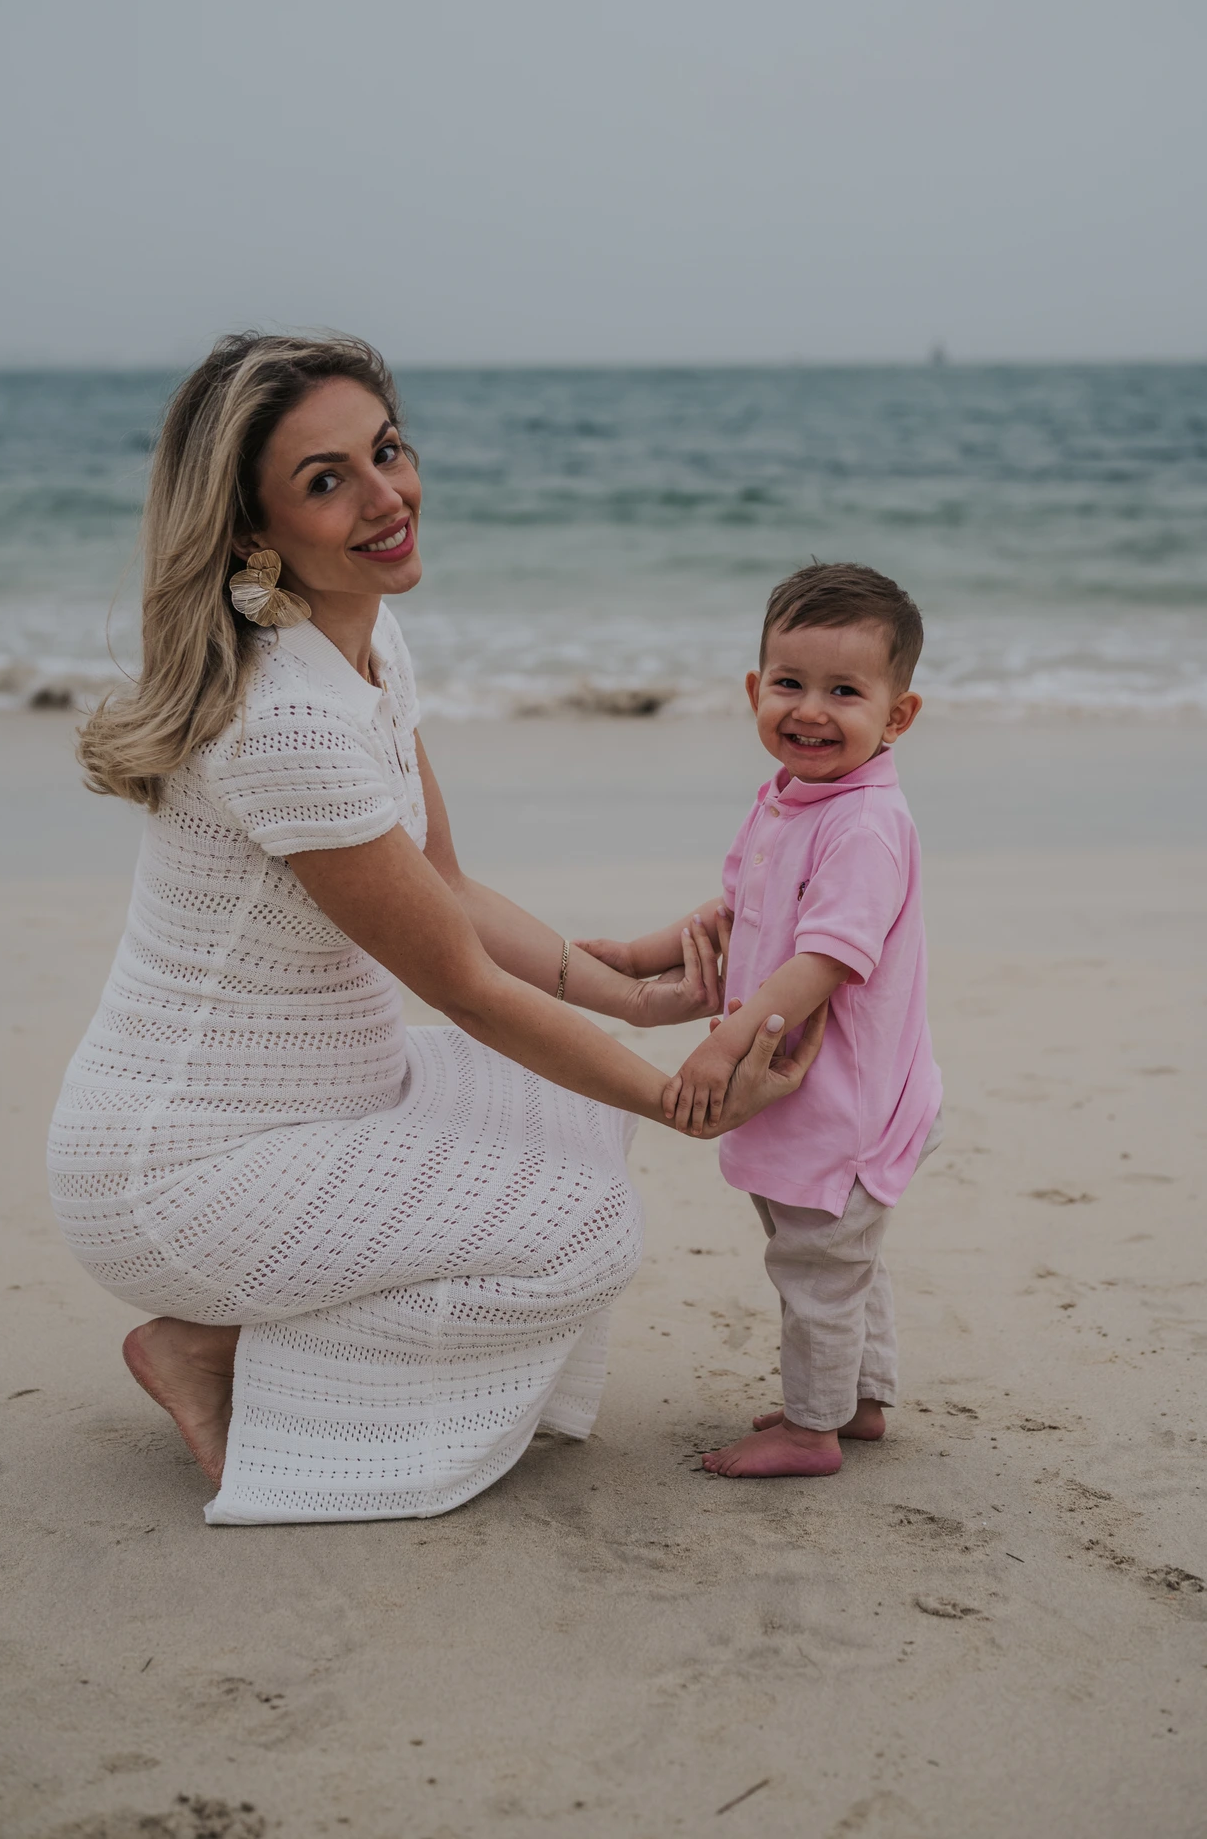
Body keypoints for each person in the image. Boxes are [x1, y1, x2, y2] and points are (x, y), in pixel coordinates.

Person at [47, 332, 825, 1525]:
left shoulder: (363, 640)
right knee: (587, 1232)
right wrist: (684, 1103)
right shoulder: (283, 721)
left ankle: (224, 1342)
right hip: (183, 1172)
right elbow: (460, 985)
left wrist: (626, 992)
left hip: (336, 1103)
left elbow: (444, 884)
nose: (385, 498)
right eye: (326, 481)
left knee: (573, 1112)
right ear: (254, 534)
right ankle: (214, 1350)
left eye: (387, 451)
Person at [578, 564, 943, 1478]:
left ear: (896, 716)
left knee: (816, 1267)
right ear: (754, 690)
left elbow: (823, 961)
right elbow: (734, 908)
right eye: (789, 684)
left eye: (844, 692)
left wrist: (723, 1042)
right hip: (813, 1097)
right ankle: (858, 1401)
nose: (810, 710)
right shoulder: (790, 798)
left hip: (846, 1101)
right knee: (837, 1255)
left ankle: (811, 1431)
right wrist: (639, 953)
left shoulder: (862, 825)